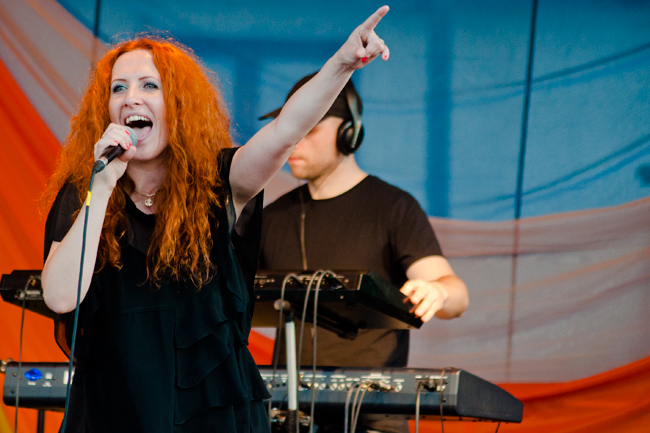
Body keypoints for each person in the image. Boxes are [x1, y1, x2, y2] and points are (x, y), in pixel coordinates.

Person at [40, 6, 391, 433]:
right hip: (114, 409)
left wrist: (341, 65)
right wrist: (102, 186)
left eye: (150, 85)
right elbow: (60, 298)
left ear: (179, 106)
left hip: (215, 412)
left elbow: (284, 133)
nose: (131, 96)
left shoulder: (218, 182)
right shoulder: (88, 191)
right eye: (119, 88)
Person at [258, 73, 469, 433]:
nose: (295, 139)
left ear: (349, 132)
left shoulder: (394, 208)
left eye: (310, 128)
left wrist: (437, 290)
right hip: (284, 415)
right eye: (290, 127)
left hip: (373, 417)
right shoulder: (272, 218)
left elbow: (457, 297)